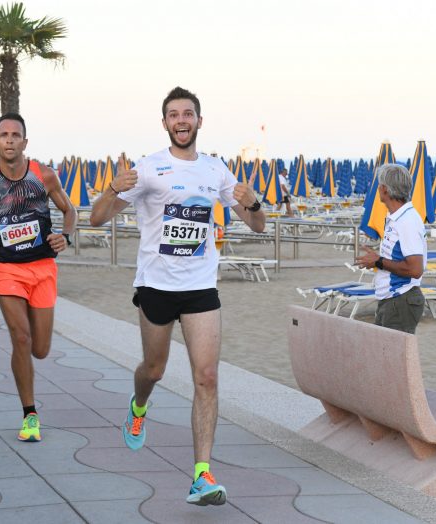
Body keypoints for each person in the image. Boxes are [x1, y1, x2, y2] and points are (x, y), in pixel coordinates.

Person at [90, 87, 266, 507]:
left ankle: (201, 475)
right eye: (174, 114)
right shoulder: (149, 169)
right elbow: (97, 217)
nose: (182, 120)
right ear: (165, 122)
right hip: (156, 286)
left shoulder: (216, 170)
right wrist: (113, 189)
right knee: (153, 370)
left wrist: (254, 201)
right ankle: (138, 405)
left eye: (189, 113)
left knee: (206, 377)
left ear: (200, 121)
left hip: (201, 287)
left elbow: (257, 225)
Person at [0, 113, 77, 443]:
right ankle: (30, 414)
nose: (9, 139)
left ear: (25, 141)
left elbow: (69, 212)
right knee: (20, 338)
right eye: (4, 135)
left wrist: (65, 237)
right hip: (7, 267)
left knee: (40, 349)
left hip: (42, 268)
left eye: (15, 135)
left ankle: (30, 392)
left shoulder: (45, 176)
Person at [355, 164, 426, 334]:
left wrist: (378, 261)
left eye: (379, 184)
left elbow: (415, 269)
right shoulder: (397, 217)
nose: (378, 188)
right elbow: (401, 258)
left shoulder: (407, 221)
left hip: (400, 299)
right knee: (384, 357)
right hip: (393, 300)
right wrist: (378, 260)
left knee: (393, 359)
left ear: (385, 189)